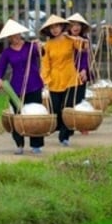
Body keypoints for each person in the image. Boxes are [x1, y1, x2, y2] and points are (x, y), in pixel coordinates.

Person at [0, 19, 45, 155]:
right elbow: (0, 68)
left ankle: (36, 145)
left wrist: (41, 48)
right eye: (11, 36)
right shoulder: (7, 53)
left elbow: (42, 53)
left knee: (35, 115)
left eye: (16, 35)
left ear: (20, 34)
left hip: (34, 85)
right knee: (17, 117)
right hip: (16, 89)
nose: (14, 38)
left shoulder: (30, 46)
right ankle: (19, 144)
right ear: (8, 38)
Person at [40, 14, 87, 146]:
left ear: (62, 27)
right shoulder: (48, 45)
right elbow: (45, 64)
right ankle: (62, 128)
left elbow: (85, 47)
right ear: (49, 30)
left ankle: (64, 136)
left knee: (68, 108)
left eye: (57, 26)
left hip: (70, 77)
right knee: (55, 108)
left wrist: (73, 37)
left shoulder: (70, 40)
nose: (55, 29)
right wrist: (46, 79)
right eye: (52, 28)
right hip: (54, 80)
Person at [66, 13, 93, 134]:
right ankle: (68, 124)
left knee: (80, 98)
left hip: (81, 71)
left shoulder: (85, 40)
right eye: (72, 25)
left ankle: (83, 125)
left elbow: (85, 57)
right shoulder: (64, 40)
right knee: (68, 99)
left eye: (78, 25)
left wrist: (84, 70)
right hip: (66, 72)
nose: (76, 27)